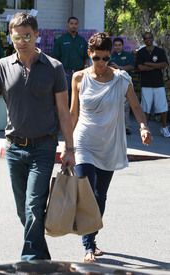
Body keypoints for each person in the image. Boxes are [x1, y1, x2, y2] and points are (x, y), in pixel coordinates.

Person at [0, 12, 75, 260]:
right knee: (23, 211)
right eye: (17, 37)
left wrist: (70, 149)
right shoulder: (2, 66)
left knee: (34, 205)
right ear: (11, 38)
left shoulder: (54, 67)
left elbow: (63, 112)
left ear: (36, 35)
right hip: (14, 148)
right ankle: (42, 257)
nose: (22, 41)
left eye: (27, 35)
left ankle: (30, 262)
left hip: (44, 147)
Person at [68, 32, 152, 262]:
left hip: (109, 143)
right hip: (84, 141)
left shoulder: (121, 79)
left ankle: (92, 237)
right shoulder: (78, 78)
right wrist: (67, 145)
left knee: (100, 196)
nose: (102, 63)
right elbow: (73, 113)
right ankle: (88, 245)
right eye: (97, 58)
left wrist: (144, 127)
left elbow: (135, 106)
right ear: (89, 55)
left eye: (105, 58)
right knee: (86, 193)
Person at [136, 31, 170, 137]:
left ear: (153, 38)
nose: (148, 39)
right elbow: (140, 67)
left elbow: (163, 64)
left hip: (158, 84)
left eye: (150, 37)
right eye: (146, 38)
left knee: (163, 108)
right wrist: (155, 66)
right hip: (146, 84)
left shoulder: (159, 51)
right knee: (145, 108)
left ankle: (164, 128)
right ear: (144, 40)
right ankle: (146, 129)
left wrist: (149, 64)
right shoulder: (141, 52)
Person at [51, 16, 89, 107]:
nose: (73, 26)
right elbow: (54, 59)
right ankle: (65, 120)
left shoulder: (82, 41)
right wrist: (61, 72)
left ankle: (77, 120)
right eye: (71, 24)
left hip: (79, 73)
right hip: (66, 74)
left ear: (78, 25)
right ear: (67, 25)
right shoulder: (61, 40)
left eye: (75, 24)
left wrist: (86, 70)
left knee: (79, 99)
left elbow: (86, 57)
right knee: (65, 99)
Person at [109, 37, 135, 135]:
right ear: (113, 47)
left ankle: (126, 126)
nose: (118, 47)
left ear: (123, 46)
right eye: (115, 45)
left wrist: (119, 68)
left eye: (119, 45)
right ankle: (114, 126)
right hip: (113, 82)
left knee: (126, 106)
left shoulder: (128, 55)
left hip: (125, 81)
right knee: (113, 105)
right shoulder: (110, 56)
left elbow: (132, 66)